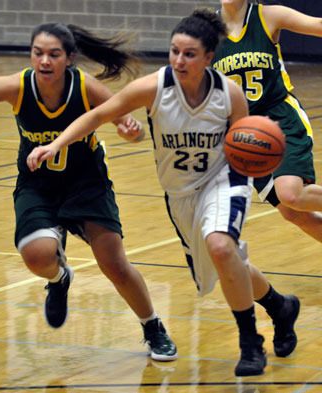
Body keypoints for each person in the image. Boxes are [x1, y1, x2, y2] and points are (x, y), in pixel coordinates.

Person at [26, 10, 300, 377]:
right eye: (174, 51)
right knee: (222, 264)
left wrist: (258, 166)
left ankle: (250, 343)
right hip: (180, 194)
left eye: (189, 54)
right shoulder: (152, 88)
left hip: (224, 181)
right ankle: (279, 306)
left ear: (208, 58)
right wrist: (55, 144)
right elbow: (96, 116)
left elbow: (246, 143)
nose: (179, 60)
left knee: (221, 246)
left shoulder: (229, 94)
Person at [0, 23, 178, 362]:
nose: (44, 61)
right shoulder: (17, 87)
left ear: (69, 58)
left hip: (86, 182)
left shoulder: (85, 87)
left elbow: (129, 129)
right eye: (38, 53)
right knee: (36, 255)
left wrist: (129, 130)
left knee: (115, 265)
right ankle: (60, 279)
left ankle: (153, 327)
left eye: (53, 54)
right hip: (38, 185)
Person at [213, 0, 322, 243]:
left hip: (281, 120)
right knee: (294, 213)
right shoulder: (206, 29)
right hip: (246, 134)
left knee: (291, 194)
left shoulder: (268, 16)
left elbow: (317, 24)